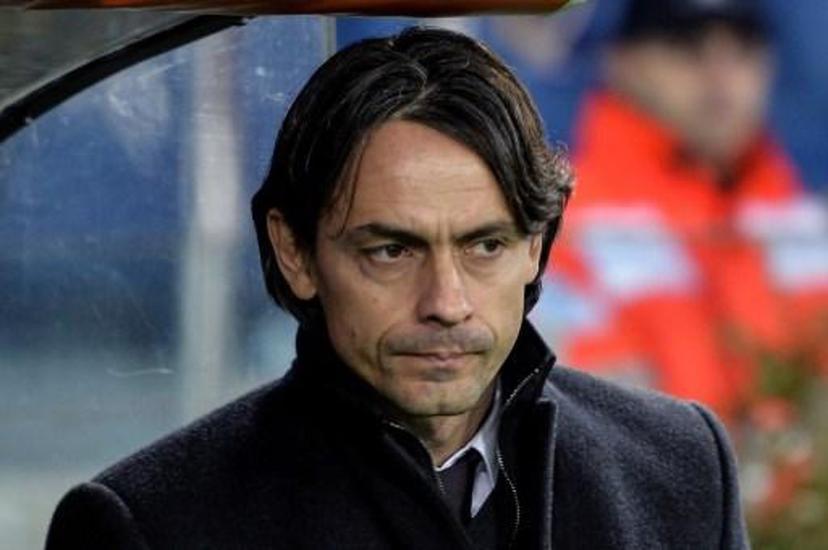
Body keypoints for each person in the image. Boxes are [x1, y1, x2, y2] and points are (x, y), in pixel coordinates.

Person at [45, 27, 749, 549]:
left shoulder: (681, 469)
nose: (446, 302)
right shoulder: (149, 525)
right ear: (294, 251)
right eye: (391, 251)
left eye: (485, 245)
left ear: (535, 246)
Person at [549, 0, 828, 420]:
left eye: (744, 45)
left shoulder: (803, 221)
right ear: (620, 60)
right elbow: (579, 419)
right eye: (686, 44)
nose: (721, 74)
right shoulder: (562, 222)